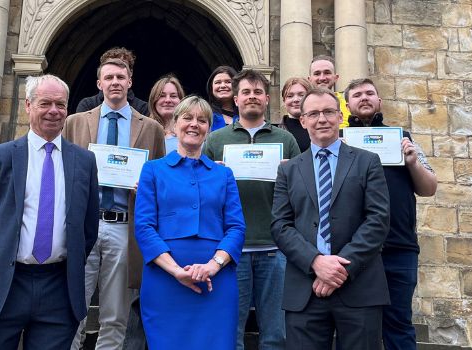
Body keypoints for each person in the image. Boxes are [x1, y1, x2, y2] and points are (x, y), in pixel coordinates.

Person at [0, 75, 99, 350]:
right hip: (6, 286)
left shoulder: (84, 161)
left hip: (58, 290)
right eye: (45, 103)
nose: (53, 111)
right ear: (28, 106)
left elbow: (87, 228)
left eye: (60, 104)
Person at [271, 87, 390, 350]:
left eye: (328, 112)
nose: (321, 119)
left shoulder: (368, 161)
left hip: (360, 287)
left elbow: (378, 220)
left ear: (340, 116)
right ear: (303, 121)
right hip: (305, 289)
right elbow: (280, 225)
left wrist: (339, 269)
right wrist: (315, 262)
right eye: (313, 113)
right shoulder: (288, 170)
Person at [64, 58, 167, 350]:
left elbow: (158, 181)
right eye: (108, 77)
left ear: (130, 82)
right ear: (99, 84)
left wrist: (144, 187)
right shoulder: (75, 123)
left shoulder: (151, 128)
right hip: (85, 225)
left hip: (124, 225)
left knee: (115, 313)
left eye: (120, 77)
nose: (115, 82)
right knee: (73, 307)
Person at [135, 96, 246, 350]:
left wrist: (212, 266)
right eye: (187, 118)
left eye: (202, 120)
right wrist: (177, 271)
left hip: (215, 283)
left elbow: (236, 227)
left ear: (209, 128)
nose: (194, 124)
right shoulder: (152, 170)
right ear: (174, 125)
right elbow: (144, 227)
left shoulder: (224, 174)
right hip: (165, 280)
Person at [202, 69, 299, 350]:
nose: (252, 97)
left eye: (257, 92)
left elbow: (303, 194)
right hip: (232, 251)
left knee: (275, 334)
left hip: (274, 249)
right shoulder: (216, 140)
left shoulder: (285, 140)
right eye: (246, 92)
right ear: (236, 98)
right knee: (231, 332)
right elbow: (202, 195)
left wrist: (292, 175)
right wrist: (212, 177)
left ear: (267, 99)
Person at [344, 78, 437, 350]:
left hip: (399, 247)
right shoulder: (339, 143)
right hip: (354, 250)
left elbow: (429, 187)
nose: (364, 98)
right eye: (357, 95)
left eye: (370, 93)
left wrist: (412, 162)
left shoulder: (402, 138)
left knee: (399, 325)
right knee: (358, 328)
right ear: (347, 104)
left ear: (379, 100)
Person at [76, 47, 150, 115]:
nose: (115, 82)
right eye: (109, 77)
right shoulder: (87, 105)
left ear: (130, 73)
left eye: (122, 66)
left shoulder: (143, 108)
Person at [308, 55, 352, 128]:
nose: (322, 78)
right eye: (317, 74)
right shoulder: (301, 105)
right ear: (310, 79)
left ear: (336, 77)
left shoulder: (349, 102)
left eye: (327, 73)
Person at [148, 74, 186, 153]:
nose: (167, 100)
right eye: (162, 96)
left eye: (173, 96)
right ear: (153, 101)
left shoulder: (189, 132)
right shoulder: (144, 131)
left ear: (181, 100)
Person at [277, 77, 312, 153]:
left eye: (301, 95)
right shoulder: (275, 131)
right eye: (290, 96)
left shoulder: (320, 127)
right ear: (284, 100)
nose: (296, 99)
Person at [206, 65, 239, 130]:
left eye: (228, 82)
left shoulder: (246, 114)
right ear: (211, 87)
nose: (223, 85)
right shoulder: (205, 114)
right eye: (218, 82)